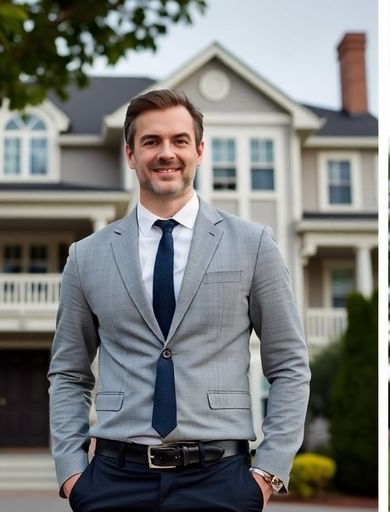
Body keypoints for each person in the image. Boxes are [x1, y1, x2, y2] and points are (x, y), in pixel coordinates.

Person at [48, 89, 310, 512]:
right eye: (151, 141)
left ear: (199, 151)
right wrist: (72, 475)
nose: (166, 153)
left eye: (179, 140)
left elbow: (290, 365)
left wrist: (268, 473)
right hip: (114, 482)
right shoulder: (87, 256)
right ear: (130, 155)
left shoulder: (253, 243)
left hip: (220, 481)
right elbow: (68, 373)